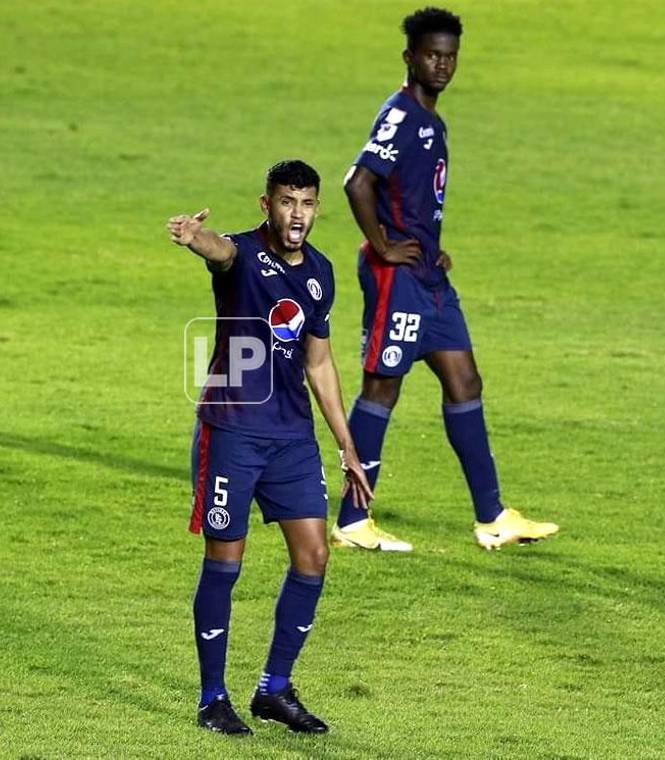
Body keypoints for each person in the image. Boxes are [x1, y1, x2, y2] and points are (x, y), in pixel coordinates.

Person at [333, 7, 558, 551]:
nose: (442, 65)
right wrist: (385, 245)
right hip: (398, 279)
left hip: (429, 277)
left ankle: (493, 517)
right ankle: (351, 520)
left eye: (450, 56)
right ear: (410, 57)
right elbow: (357, 182)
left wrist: (431, 249)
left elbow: (408, 196)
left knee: (465, 382)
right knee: (382, 387)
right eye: (432, 55)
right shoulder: (402, 115)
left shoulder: (432, 120)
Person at [167, 160, 373, 735]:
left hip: (291, 438)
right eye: (286, 202)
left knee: (314, 557)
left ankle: (274, 688)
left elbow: (320, 361)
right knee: (224, 563)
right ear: (267, 205)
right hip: (231, 431)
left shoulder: (322, 274)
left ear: (317, 208)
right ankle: (213, 698)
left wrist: (349, 447)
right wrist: (192, 238)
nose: (296, 215)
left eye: (306, 204)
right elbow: (218, 249)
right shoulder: (242, 253)